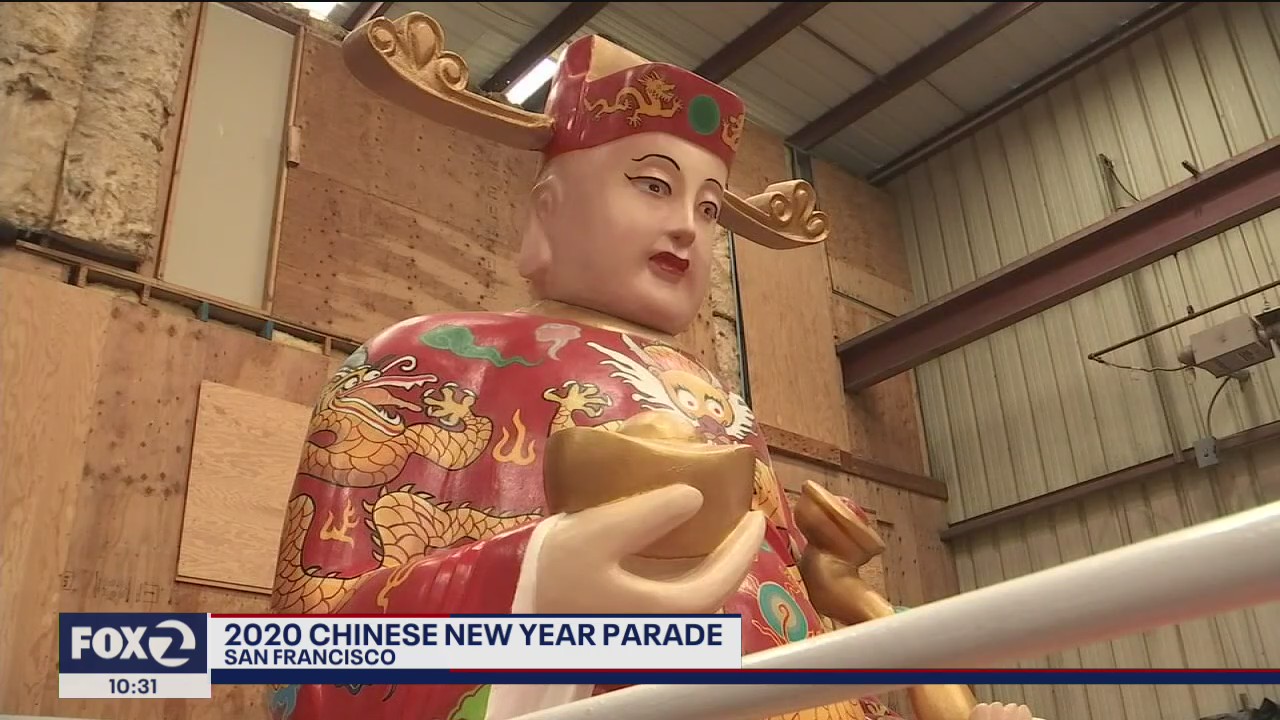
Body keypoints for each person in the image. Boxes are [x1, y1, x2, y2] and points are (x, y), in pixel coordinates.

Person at [267, 13, 1040, 720]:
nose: (686, 228)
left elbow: (773, 630)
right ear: (549, 208)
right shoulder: (422, 359)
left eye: (708, 209)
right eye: (653, 185)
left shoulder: (723, 411)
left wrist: (860, 623)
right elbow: (295, 659)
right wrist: (530, 585)